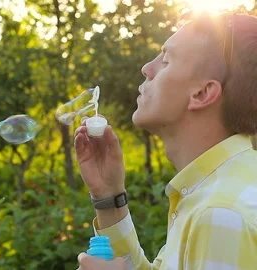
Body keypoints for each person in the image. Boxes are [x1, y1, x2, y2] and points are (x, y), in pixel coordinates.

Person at [74, 11, 257, 270]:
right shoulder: (216, 189)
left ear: (202, 93)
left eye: (166, 60)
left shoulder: (221, 214)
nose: (147, 69)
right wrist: (109, 196)